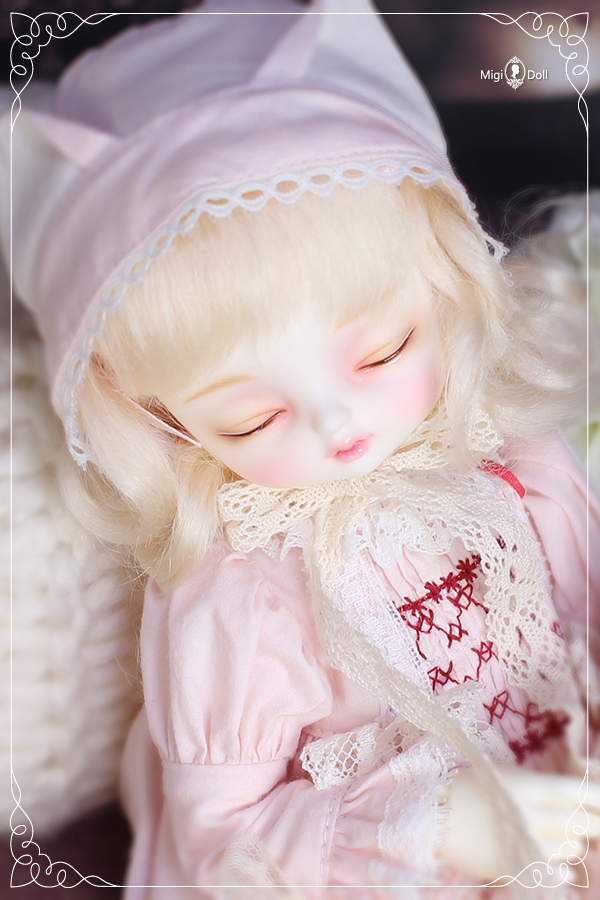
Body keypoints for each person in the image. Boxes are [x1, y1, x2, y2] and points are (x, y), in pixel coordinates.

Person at [6, 1, 600, 896]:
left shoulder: (511, 458)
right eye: (250, 420)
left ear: (447, 278)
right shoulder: (246, 592)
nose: (334, 423)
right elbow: (221, 841)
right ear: (161, 421)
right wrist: (441, 828)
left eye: (384, 351)